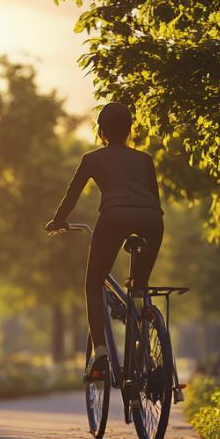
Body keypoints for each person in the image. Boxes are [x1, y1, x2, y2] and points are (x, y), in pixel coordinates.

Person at [45, 102, 163, 387]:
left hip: (114, 217)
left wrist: (58, 220)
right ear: (130, 130)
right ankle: (142, 352)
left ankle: (100, 352)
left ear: (101, 130)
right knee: (139, 287)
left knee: (93, 283)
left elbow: (72, 195)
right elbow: (154, 198)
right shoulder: (146, 160)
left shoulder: (93, 158)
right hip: (151, 220)